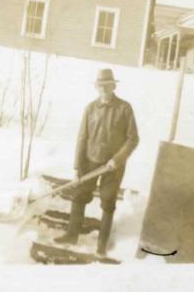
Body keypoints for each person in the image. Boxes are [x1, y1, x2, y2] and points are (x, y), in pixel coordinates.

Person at [54, 68, 139, 256]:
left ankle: (102, 244)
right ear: (96, 87)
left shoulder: (124, 108)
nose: (103, 89)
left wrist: (117, 159)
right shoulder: (90, 108)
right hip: (91, 162)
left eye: (107, 85)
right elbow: (82, 138)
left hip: (112, 166)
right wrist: (77, 167)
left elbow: (133, 139)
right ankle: (71, 235)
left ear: (113, 86)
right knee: (79, 196)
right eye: (100, 86)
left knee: (108, 200)